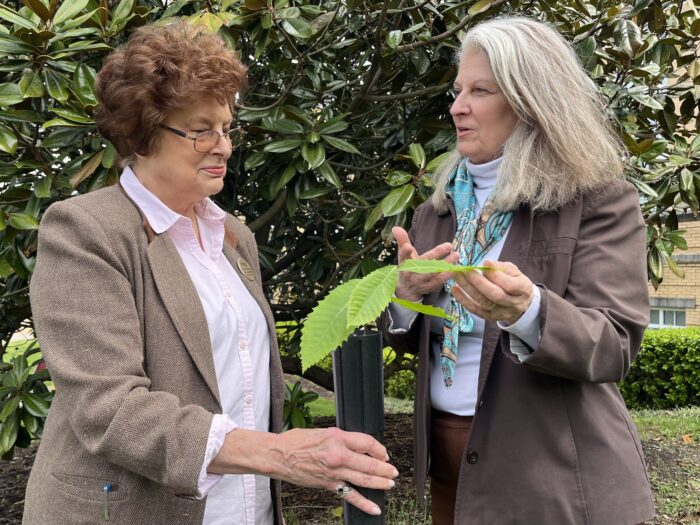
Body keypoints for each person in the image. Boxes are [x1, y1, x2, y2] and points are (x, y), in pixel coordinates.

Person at [24, 20, 396, 525]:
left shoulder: (233, 235)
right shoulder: (85, 230)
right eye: (201, 132)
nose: (223, 146)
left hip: (245, 510)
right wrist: (279, 453)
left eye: (226, 128)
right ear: (145, 131)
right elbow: (107, 408)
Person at [381, 16, 654, 525]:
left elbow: (614, 343)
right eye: (458, 89)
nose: (457, 106)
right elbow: (408, 339)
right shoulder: (437, 210)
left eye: (479, 90)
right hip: (447, 464)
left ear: (530, 100)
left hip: (552, 477)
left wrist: (528, 311)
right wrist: (402, 297)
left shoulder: (595, 200)